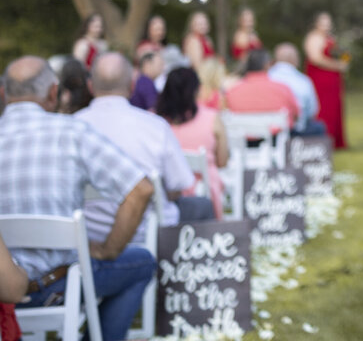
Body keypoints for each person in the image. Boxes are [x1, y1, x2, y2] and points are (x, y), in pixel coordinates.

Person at [0, 56, 155, 341]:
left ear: (3, 94)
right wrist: (108, 249)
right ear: (52, 92)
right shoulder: (71, 131)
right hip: (57, 286)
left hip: (4, 295)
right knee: (142, 262)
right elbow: (141, 189)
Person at [76, 53, 212, 241]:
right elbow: (177, 186)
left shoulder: (71, 126)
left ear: (90, 86)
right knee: (203, 206)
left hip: (88, 235)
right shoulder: (155, 126)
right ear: (132, 86)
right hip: (148, 232)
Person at [158, 66, 230, 220]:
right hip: (204, 190)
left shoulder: (153, 121)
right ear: (196, 91)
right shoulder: (212, 119)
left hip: (163, 192)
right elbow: (222, 162)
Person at [304, 12, 348, 149]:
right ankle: (322, 138)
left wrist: (343, 59)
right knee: (323, 106)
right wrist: (337, 65)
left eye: (328, 23)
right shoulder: (313, 38)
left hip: (332, 79)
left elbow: (338, 53)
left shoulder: (330, 38)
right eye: (323, 23)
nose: (326, 26)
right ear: (316, 23)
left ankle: (335, 140)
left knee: (333, 107)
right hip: (320, 78)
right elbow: (315, 59)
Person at [224, 48, 300, 128]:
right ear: (267, 65)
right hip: (276, 135)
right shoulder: (283, 89)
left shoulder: (232, 92)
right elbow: (296, 115)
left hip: (242, 135)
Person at [268, 43, 325, 137]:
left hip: (269, 130)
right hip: (295, 130)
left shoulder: (266, 77)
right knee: (319, 127)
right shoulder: (303, 80)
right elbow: (312, 111)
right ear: (295, 59)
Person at [129, 47, 165, 111]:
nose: (162, 68)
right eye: (159, 65)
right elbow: (153, 109)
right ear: (147, 64)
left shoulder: (140, 80)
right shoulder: (146, 83)